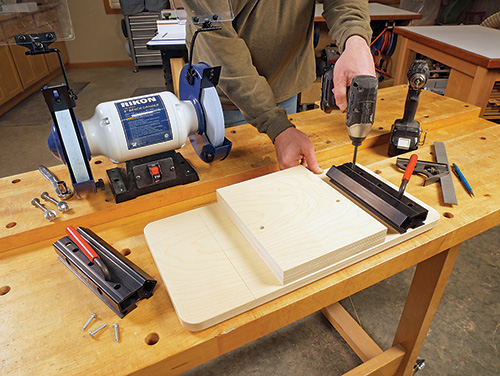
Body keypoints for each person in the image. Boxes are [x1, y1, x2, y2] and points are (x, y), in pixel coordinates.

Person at [182, 1, 376, 173]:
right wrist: (276, 125)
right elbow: (218, 42)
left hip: (285, 80)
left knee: (283, 174)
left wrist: (355, 40)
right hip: (227, 96)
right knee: (229, 185)